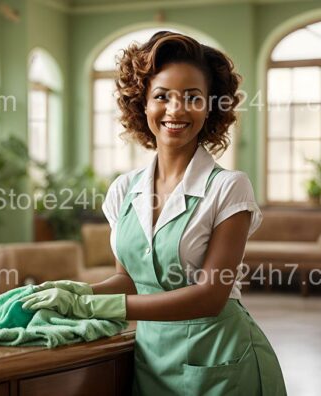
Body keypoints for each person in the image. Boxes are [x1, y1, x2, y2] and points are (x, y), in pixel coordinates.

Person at [20, 31, 287, 395]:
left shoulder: (228, 188)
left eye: (192, 97)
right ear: (142, 104)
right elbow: (129, 280)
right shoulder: (123, 190)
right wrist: (79, 292)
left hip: (221, 360)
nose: (176, 110)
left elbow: (211, 295)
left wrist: (97, 307)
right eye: (162, 96)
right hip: (151, 361)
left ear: (211, 107)